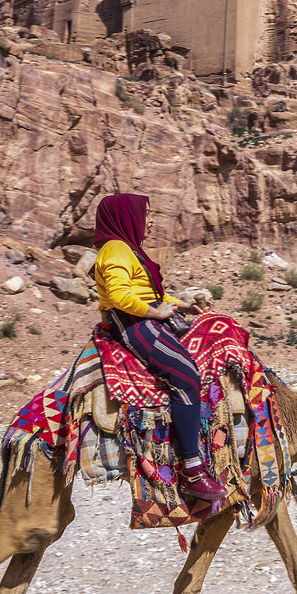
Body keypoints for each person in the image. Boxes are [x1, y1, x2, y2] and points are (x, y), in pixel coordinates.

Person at [92, 193, 225, 503]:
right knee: (186, 376)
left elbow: (149, 293)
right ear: (127, 216)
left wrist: (182, 306)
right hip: (134, 324)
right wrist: (157, 314)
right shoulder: (115, 250)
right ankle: (192, 469)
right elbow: (120, 296)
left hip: (145, 316)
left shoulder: (129, 249)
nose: (150, 221)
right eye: (146, 215)